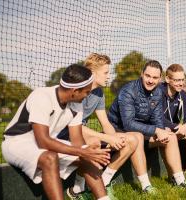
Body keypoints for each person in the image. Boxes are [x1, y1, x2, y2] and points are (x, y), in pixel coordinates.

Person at [1, 64, 111, 200]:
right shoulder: (41, 96)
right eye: (87, 92)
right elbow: (42, 141)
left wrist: (88, 152)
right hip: (16, 142)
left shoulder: (77, 103)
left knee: (87, 157)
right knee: (50, 158)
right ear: (75, 90)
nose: (88, 95)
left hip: (46, 142)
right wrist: (82, 151)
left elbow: (77, 141)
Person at [58, 53, 140, 199]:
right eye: (106, 73)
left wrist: (114, 138)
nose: (109, 76)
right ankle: (77, 190)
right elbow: (75, 127)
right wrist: (106, 138)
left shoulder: (99, 93)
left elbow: (105, 122)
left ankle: (104, 182)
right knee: (94, 143)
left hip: (84, 131)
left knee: (132, 140)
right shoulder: (78, 90)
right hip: (66, 133)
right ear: (93, 73)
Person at [108, 60, 186, 191]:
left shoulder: (158, 92)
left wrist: (161, 131)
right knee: (137, 136)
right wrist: (156, 130)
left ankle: (180, 181)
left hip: (143, 133)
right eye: (148, 76)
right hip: (119, 131)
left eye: (155, 77)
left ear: (160, 79)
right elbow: (128, 124)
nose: (150, 80)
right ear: (142, 74)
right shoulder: (128, 91)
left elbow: (157, 118)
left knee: (170, 136)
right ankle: (146, 186)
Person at [162, 64, 186, 173]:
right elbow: (157, 118)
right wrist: (176, 126)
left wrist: (185, 126)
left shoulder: (183, 94)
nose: (181, 83)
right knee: (167, 131)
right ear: (168, 79)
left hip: (176, 129)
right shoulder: (158, 92)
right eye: (177, 80)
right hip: (161, 129)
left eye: (182, 80)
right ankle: (173, 173)